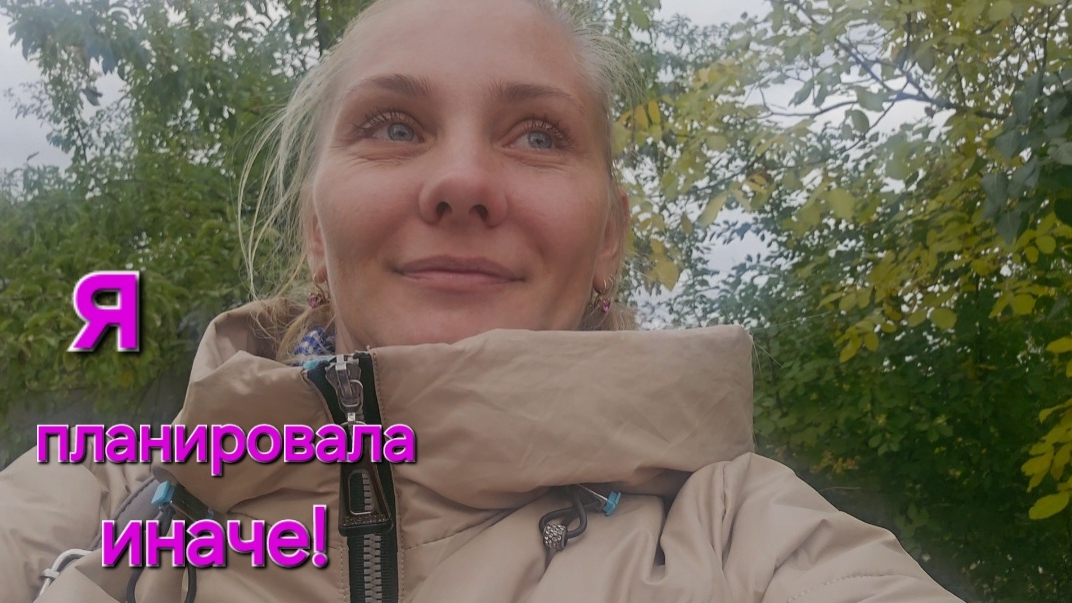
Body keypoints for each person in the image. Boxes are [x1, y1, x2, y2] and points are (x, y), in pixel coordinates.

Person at [0, 0, 964, 601]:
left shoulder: (752, 537)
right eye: (393, 125)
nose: (461, 182)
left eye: (538, 135)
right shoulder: (97, 495)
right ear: (315, 234)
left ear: (608, 236)